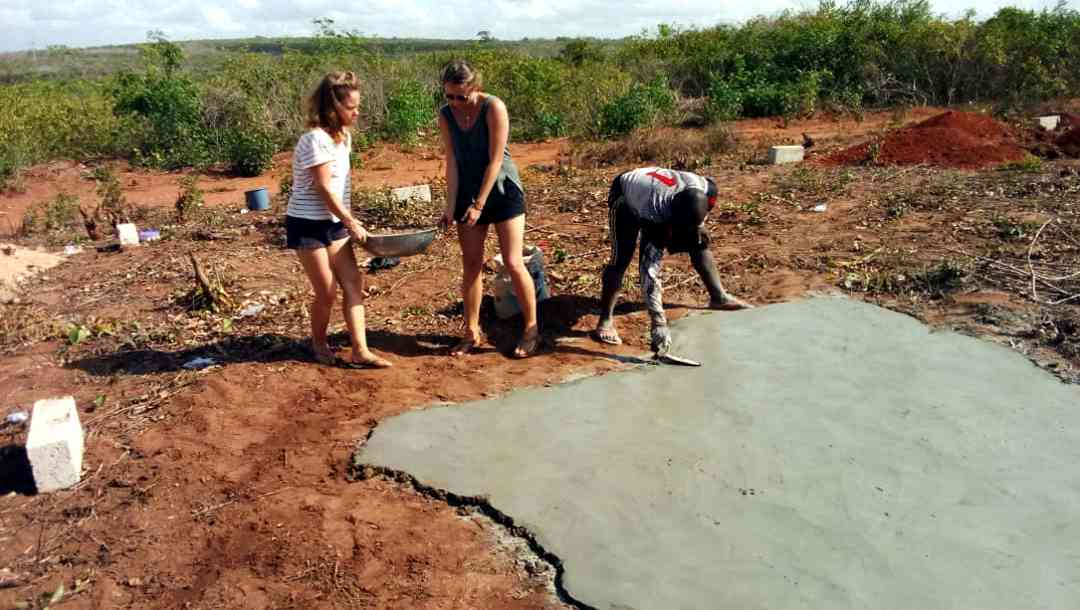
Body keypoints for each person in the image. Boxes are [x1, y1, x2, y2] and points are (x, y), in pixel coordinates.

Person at [285, 71, 391, 369]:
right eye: (351, 107)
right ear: (333, 108)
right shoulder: (315, 140)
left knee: (353, 283)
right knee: (327, 291)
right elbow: (323, 188)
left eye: (358, 105)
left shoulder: (344, 138)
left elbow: (342, 186)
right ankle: (318, 342)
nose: (357, 112)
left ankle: (360, 349)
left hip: (334, 223)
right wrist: (351, 222)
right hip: (307, 224)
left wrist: (345, 220)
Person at [437, 59, 539, 358]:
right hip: (468, 193)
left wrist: (480, 204)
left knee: (511, 260)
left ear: (475, 88)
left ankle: (532, 329)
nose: (455, 102)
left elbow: (495, 160)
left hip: (502, 191)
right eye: (449, 96)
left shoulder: (494, 107)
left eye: (461, 96)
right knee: (471, 265)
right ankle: (471, 332)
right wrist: (451, 204)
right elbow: (452, 161)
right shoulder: (446, 115)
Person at [594, 167, 752, 355]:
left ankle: (719, 297)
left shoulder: (708, 190)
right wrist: (658, 322)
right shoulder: (653, 209)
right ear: (670, 219)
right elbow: (649, 269)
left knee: (699, 241)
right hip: (625, 195)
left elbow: (695, 219)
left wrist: (697, 228)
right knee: (621, 256)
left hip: (661, 191)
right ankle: (605, 320)